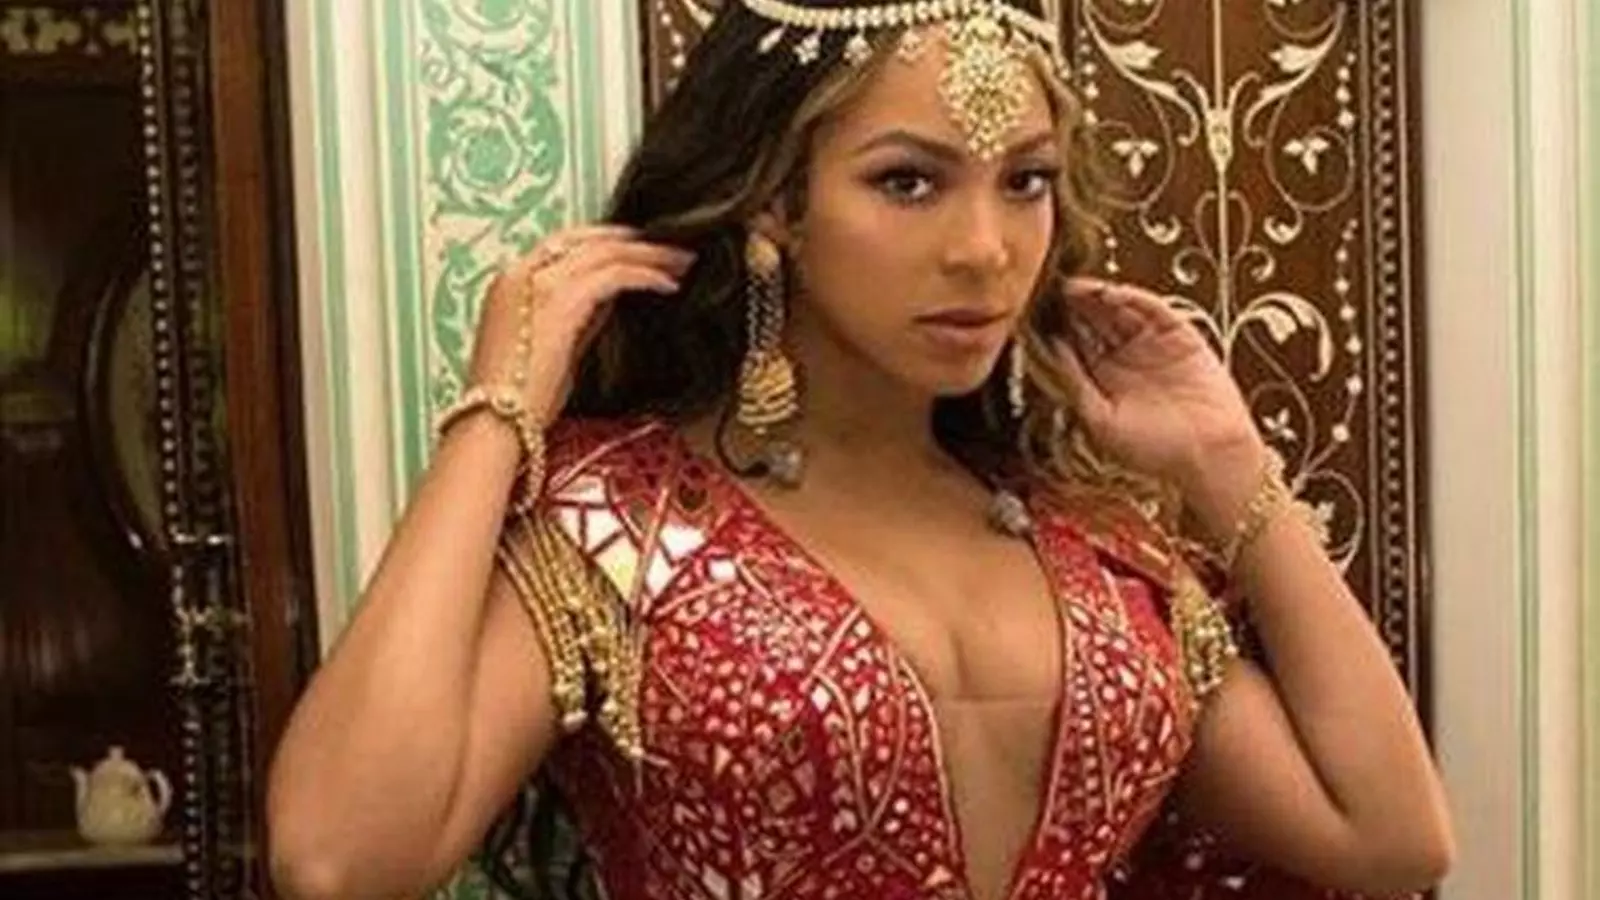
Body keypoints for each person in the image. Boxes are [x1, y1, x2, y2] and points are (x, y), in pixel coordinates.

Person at [265, 2, 1455, 899]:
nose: (985, 249)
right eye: (908, 182)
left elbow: (1391, 840)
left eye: (1026, 182)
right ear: (773, 204)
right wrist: (498, 414)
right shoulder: (621, 527)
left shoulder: (1098, 546)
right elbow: (338, 857)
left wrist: (1227, 465)